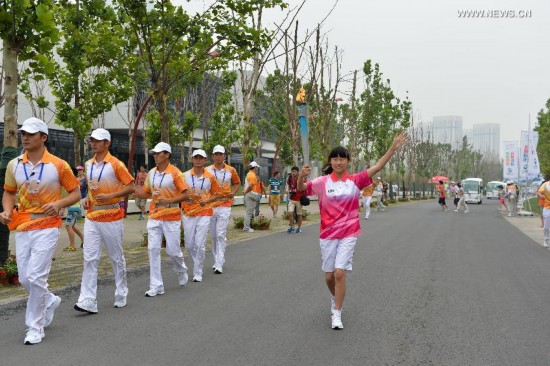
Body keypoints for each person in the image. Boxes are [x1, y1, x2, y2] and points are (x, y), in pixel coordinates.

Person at [298, 131, 408, 330]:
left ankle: (337, 313)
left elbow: (378, 166)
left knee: (340, 273)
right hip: (327, 235)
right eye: (335, 158)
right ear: (330, 161)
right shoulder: (322, 182)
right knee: (329, 276)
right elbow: (301, 188)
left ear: (348, 161)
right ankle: (335, 298)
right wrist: (301, 176)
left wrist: (392, 148)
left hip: (349, 233)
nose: (338, 162)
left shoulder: (356, 181)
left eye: (342, 159)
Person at [0, 118, 81, 345]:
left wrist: (59, 204)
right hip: (23, 226)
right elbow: (8, 192)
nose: (24, 137)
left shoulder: (59, 165)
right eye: (22, 133)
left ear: (43, 137)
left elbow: (76, 193)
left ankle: (35, 327)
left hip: (47, 225)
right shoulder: (14, 165)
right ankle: (49, 299)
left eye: (31, 134)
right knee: (26, 278)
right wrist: (7, 210)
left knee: (36, 276)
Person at [74, 128, 135, 314]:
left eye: (98, 140)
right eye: (92, 140)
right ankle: (88, 300)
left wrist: (110, 195)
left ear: (107, 143)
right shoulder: (89, 164)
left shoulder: (116, 164)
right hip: (92, 216)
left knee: (116, 257)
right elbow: (92, 188)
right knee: (90, 258)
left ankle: (121, 292)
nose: (94, 143)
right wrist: (87, 198)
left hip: (112, 216)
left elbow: (131, 186)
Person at [136, 142, 190, 296]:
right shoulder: (151, 173)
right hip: (154, 215)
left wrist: (168, 200)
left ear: (167, 154)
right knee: (153, 249)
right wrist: (138, 194)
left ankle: (180, 269)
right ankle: (156, 285)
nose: (155, 155)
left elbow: (186, 194)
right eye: (154, 153)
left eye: (158, 153)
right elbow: (147, 192)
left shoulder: (175, 173)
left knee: (172, 250)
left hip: (171, 216)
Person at [181, 149, 220, 282]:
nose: (198, 160)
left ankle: (198, 271)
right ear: (191, 159)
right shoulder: (184, 175)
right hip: (188, 212)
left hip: (204, 211)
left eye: (201, 157)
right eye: (196, 157)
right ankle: (198, 261)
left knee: (199, 243)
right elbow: (179, 191)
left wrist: (207, 200)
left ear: (205, 160)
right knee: (189, 244)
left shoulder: (210, 177)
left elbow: (216, 194)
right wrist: (184, 198)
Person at [206, 145, 241, 274]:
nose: (218, 156)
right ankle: (217, 259)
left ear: (224, 156)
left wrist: (233, 192)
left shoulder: (231, 170)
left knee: (221, 234)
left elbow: (237, 182)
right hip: (211, 205)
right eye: (216, 154)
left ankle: (219, 263)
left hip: (225, 205)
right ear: (213, 156)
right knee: (214, 236)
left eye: (221, 154)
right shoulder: (207, 170)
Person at [63, 166, 85, 252]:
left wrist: (62, 207)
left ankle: (72, 246)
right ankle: (84, 239)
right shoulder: (75, 181)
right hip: (76, 207)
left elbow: (69, 197)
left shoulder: (71, 182)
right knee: (73, 225)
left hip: (73, 207)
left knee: (68, 226)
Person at [243, 161, 262, 233]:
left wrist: (245, 192)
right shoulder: (252, 175)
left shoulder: (249, 174)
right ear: (255, 167)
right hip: (250, 194)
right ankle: (246, 227)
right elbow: (250, 186)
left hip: (248, 194)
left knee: (248, 212)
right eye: (256, 167)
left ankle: (247, 226)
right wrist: (245, 192)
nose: (257, 169)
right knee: (249, 212)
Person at [286, 166, 305, 233]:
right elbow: (288, 186)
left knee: (299, 215)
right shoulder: (290, 179)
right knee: (290, 212)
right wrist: (288, 190)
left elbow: (305, 187)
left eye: (295, 171)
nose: (293, 173)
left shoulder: (301, 179)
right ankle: (292, 226)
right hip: (291, 199)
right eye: (292, 171)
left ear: (297, 172)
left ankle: (299, 228)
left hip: (299, 200)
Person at [537, 179, 549, 248]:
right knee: (546, 226)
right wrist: (541, 195)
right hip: (547, 208)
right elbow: (539, 192)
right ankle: (546, 240)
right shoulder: (546, 184)